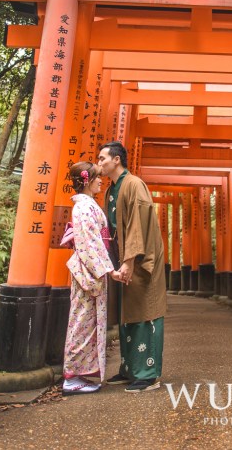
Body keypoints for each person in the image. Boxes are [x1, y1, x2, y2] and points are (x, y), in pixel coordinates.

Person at [97, 141, 167, 393]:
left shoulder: (134, 184)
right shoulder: (112, 189)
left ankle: (148, 374)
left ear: (116, 160)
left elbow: (138, 224)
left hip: (140, 260)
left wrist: (129, 260)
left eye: (102, 158)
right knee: (128, 315)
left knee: (145, 312)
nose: (99, 163)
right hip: (124, 258)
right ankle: (129, 369)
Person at [59, 161, 121, 395]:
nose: (101, 181)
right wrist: (109, 270)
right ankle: (71, 376)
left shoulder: (87, 205)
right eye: (97, 177)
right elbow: (91, 243)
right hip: (89, 271)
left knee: (86, 323)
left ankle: (80, 373)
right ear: (86, 181)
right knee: (81, 323)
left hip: (92, 269)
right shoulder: (84, 208)